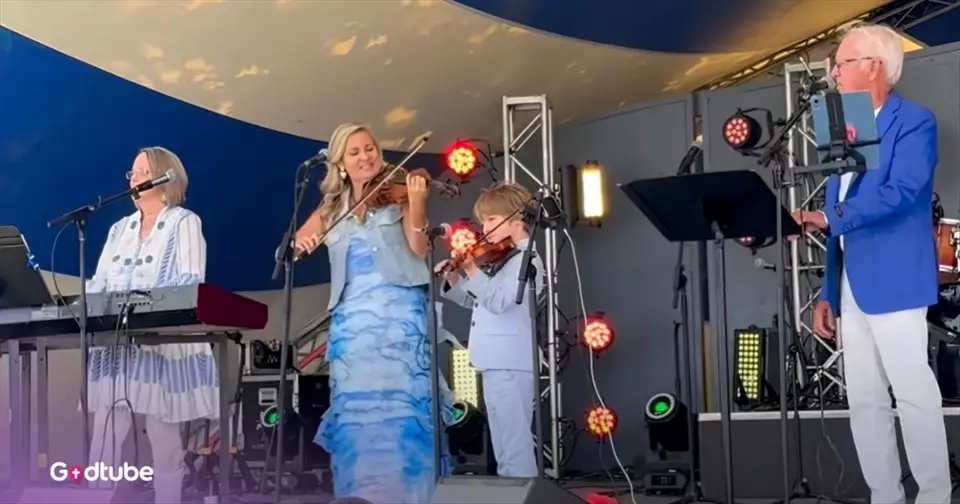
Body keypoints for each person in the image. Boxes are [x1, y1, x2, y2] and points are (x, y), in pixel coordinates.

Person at [793, 24, 948, 504]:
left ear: (874, 67)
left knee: (913, 395)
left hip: (896, 279)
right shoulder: (844, 126)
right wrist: (827, 291)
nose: (833, 73)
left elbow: (900, 193)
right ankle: (885, 496)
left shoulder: (914, 121)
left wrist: (825, 217)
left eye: (841, 63)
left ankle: (934, 497)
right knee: (864, 401)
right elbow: (839, 215)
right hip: (851, 286)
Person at [293, 123, 451, 503]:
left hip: (398, 316)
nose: (365, 156)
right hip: (352, 324)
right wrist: (304, 242)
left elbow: (418, 251)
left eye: (370, 148)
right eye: (355, 152)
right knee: (358, 413)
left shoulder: (398, 191)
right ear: (340, 163)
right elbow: (297, 243)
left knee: (403, 410)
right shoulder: (332, 206)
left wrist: (417, 203)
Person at [85, 147, 214, 504]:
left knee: (163, 437)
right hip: (117, 343)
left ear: (165, 177)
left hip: (162, 341)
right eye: (132, 173)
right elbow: (100, 283)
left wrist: (149, 306)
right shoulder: (119, 229)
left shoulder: (184, 222)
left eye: (143, 172)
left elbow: (190, 281)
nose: (135, 179)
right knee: (106, 432)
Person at [436, 182, 542, 478]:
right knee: (503, 446)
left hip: (510, 361)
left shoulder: (527, 259)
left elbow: (498, 301)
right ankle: (512, 492)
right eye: (483, 221)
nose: (485, 228)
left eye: (492, 219)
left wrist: (471, 269)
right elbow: (478, 303)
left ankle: (524, 493)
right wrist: (456, 279)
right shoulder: (501, 259)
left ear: (517, 219)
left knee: (515, 443)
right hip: (495, 361)